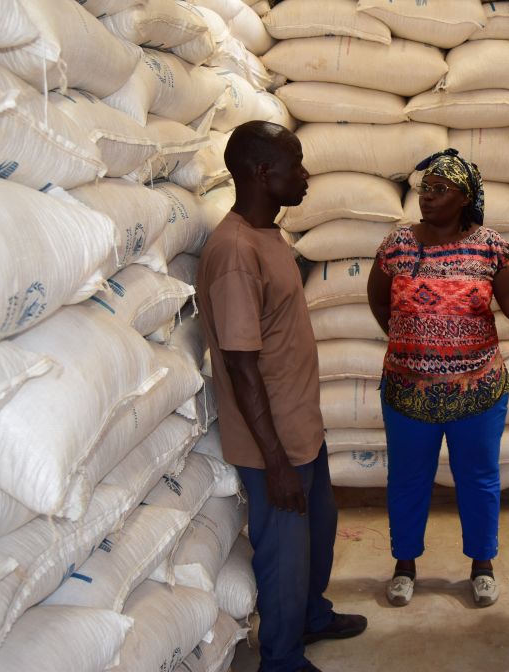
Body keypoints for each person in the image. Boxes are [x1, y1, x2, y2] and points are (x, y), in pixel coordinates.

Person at [196, 121, 366, 672]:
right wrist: (275, 461)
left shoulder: (268, 236)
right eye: (295, 163)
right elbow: (241, 362)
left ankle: (311, 616)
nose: (306, 173)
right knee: (285, 556)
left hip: (301, 430)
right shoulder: (235, 252)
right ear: (263, 173)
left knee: (318, 535)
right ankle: (283, 658)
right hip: (275, 445)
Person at [366, 148, 509, 609]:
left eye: (440, 190)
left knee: (479, 478)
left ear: (464, 198)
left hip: (478, 392)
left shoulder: (488, 246)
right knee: (407, 479)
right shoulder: (397, 245)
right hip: (408, 393)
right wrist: (415, 345)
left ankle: (482, 565)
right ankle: (404, 565)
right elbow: (380, 303)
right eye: (425, 189)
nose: (427, 197)